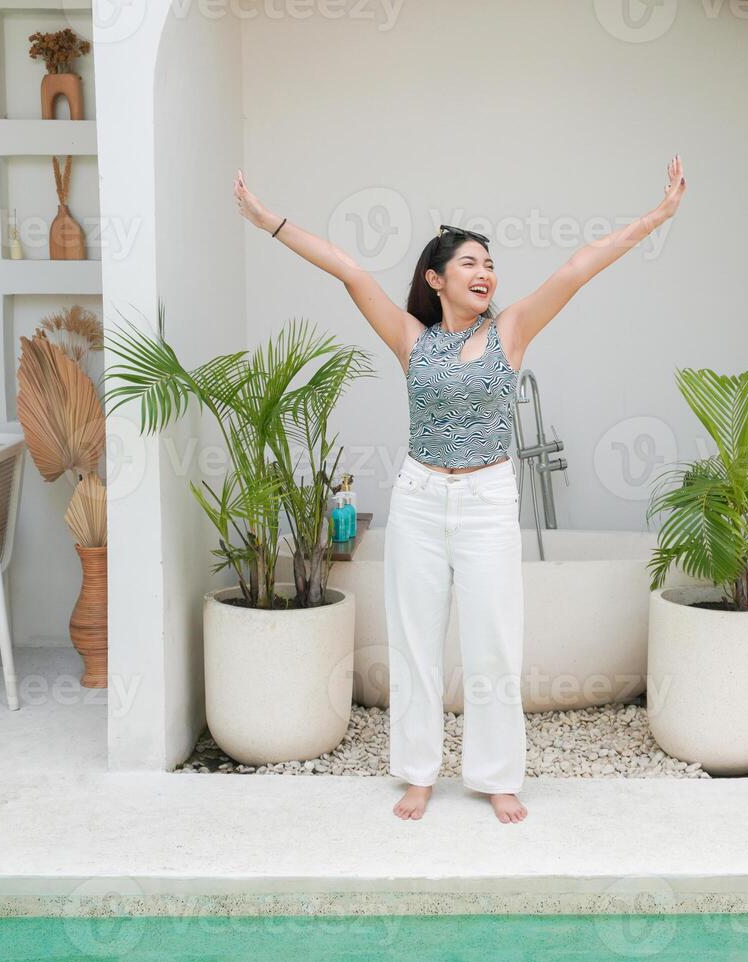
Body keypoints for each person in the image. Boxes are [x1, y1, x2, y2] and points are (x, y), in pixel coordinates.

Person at [232, 156, 687, 822]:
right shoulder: (412, 339)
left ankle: (497, 776)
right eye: (470, 263)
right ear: (435, 279)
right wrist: (267, 219)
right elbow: (349, 269)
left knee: (493, 641)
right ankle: (418, 773)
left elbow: (577, 268)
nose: (485, 273)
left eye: (489, 264)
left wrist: (658, 216)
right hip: (420, 499)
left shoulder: (510, 332)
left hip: (486, 502)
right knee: (415, 641)